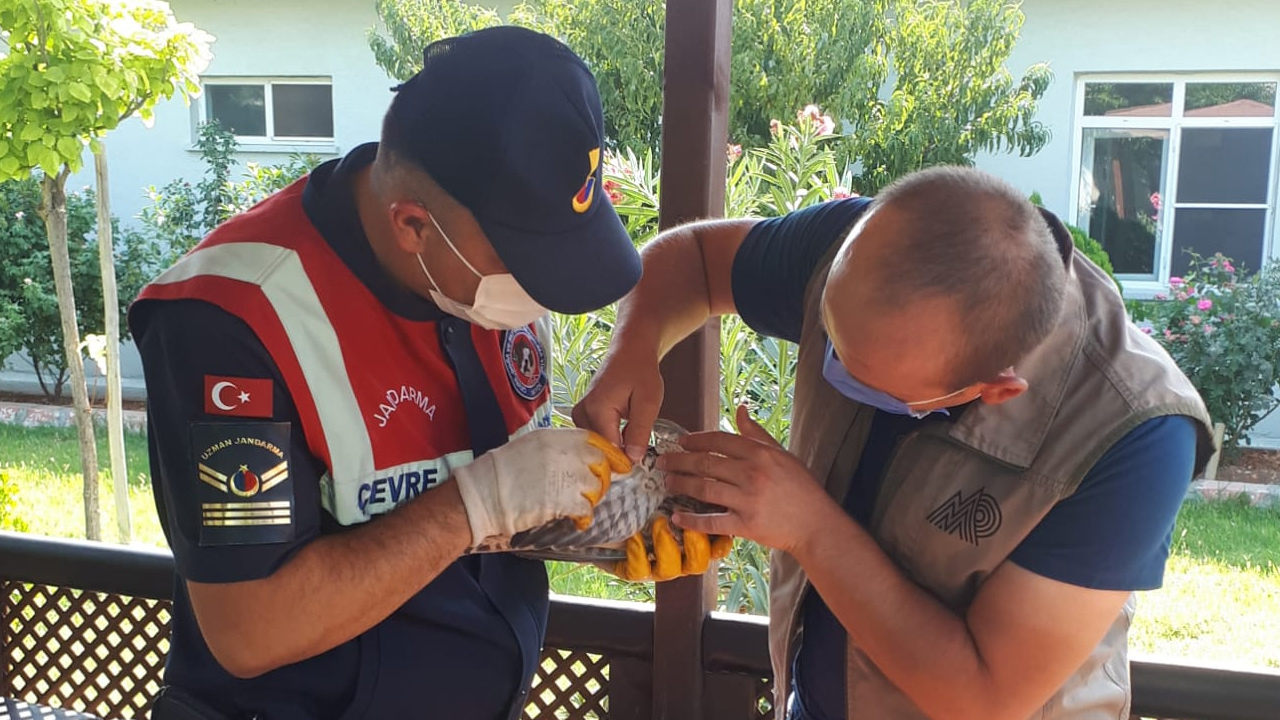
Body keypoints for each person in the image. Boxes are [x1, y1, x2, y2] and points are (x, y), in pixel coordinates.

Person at [130, 27, 704, 720]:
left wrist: (602, 525)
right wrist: (477, 503)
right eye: (528, 261)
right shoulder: (232, 316)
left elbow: (491, 512)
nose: (543, 289)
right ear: (412, 226)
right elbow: (249, 629)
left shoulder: (472, 269)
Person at [574, 166, 1216, 720]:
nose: (833, 374)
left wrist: (807, 526)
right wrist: (633, 350)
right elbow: (695, 261)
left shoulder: (1135, 433)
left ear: (992, 390)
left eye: (865, 380)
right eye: (828, 335)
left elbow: (981, 695)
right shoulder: (868, 244)